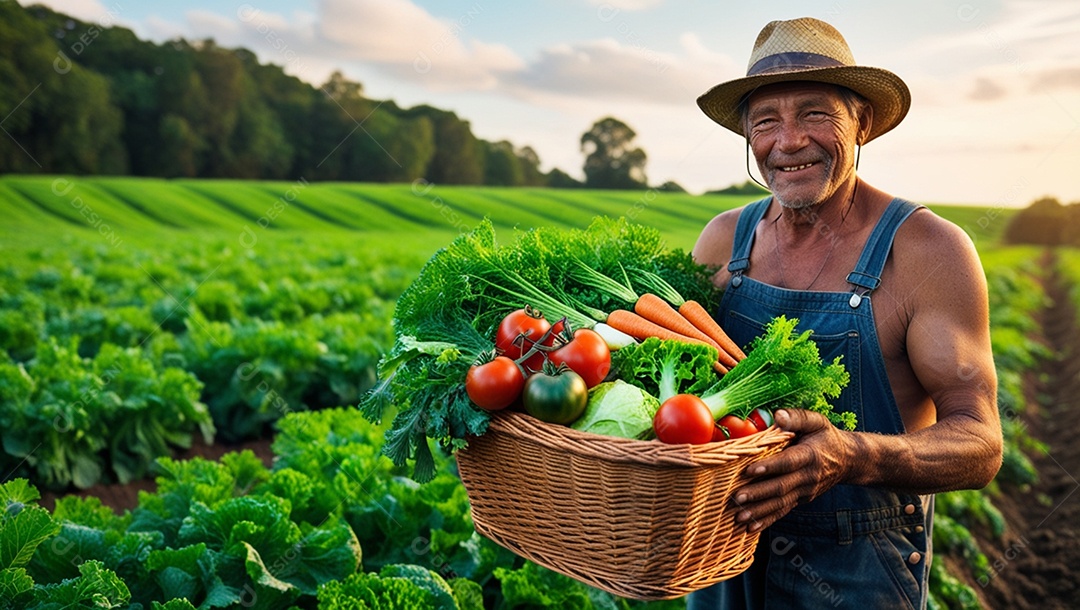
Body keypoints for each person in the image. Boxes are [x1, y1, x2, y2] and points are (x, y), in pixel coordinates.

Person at [688, 17, 1003, 609]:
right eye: (766, 122)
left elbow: (980, 443)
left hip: (859, 569)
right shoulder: (723, 241)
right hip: (718, 551)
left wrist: (851, 455)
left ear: (861, 121)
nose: (788, 141)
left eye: (814, 113)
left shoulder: (929, 252)